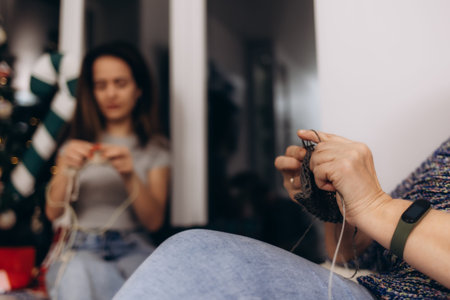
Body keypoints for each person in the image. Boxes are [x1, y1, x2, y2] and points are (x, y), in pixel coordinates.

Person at [112, 130, 449, 299]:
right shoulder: (442, 154)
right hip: (373, 283)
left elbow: (386, 219)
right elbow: (349, 254)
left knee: (194, 253)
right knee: (191, 252)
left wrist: (376, 204)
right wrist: (338, 204)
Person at [44, 42, 171, 300]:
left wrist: (128, 174)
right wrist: (67, 168)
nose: (110, 93)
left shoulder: (155, 147)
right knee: (76, 274)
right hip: (80, 246)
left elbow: (154, 221)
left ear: (138, 90)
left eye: (120, 83)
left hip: (134, 246)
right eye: (101, 85)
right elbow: (53, 211)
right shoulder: (73, 146)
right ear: (91, 92)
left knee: (154, 285)